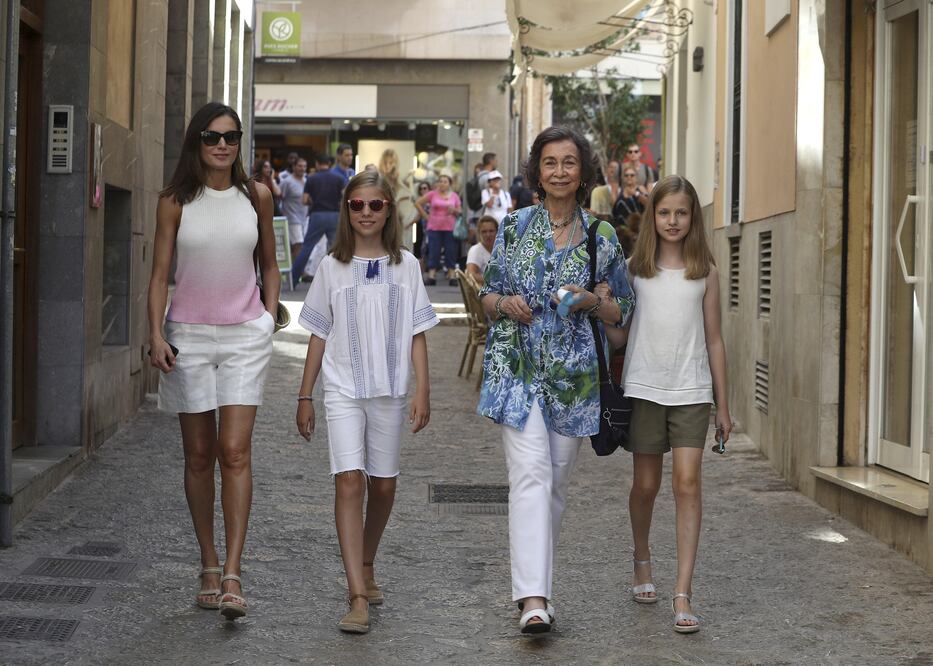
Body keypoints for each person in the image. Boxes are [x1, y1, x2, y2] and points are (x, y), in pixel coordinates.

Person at [478, 126, 635, 634]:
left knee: (555, 487)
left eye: (569, 162)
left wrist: (592, 301)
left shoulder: (602, 235)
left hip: (574, 376)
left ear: (582, 172)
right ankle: (534, 600)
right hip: (517, 368)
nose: (560, 171)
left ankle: (537, 583)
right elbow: (488, 295)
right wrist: (506, 304)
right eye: (551, 163)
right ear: (537, 172)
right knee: (530, 477)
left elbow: (622, 310)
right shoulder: (515, 225)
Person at [148, 102, 279, 621]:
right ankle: (207, 561)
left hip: (246, 334)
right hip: (189, 337)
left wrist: (268, 318)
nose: (222, 145)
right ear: (195, 142)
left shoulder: (258, 195)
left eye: (230, 136)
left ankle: (233, 572)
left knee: (235, 450)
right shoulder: (175, 200)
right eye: (211, 136)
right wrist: (154, 334)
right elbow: (160, 274)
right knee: (199, 456)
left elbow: (269, 263)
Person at [295, 170, 437, 634]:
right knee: (349, 481)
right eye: (357, 205)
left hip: (391, 390)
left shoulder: (408, 266)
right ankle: (356, 592)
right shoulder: (332, 267)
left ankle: (368, 560)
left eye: (376, 205)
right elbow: (318, 333)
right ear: (346, 210)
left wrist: (423, 388)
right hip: (342, 388)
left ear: (389, 210)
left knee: (384, 486)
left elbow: (417, 332)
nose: (367, 213)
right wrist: (305, 394)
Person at [602, 175, 732, 634]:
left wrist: (724, 405)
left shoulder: (707, 273)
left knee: (688, 485)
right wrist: (600, 310)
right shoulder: (636, 272)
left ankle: (682, 592)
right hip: (644, 389)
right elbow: (621, 336)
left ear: (693, 216)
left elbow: (715, 341)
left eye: (681, 212)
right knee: (645, 485)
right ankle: (641, 560)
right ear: (652, 217)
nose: (673, 221)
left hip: (692, 391)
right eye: (664, 212)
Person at [292, 154, 345, 284]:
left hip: (317, 215)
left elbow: (304, 200)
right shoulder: (339, 178)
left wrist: (313, 200)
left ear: (317, 164)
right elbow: (344, 198)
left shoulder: (311, 179)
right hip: (334, 215)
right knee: (335, 249)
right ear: (330, 164)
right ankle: (338, 280)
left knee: (307, 247)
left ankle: (293, 279)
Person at [414, 173, 462, 286]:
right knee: (434, 251)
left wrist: (454, 210)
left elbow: (460, 211)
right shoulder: (432, 194)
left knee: (450, 251)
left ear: (449, 184)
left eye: (445, 181)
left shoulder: (454, 196)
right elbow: (418, 203)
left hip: (450, 227)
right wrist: (426, 216)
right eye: (440, 181)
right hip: (434, 227)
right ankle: (431, 275)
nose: (442, 183)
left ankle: (451, 275)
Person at [379, 149, 417, 252]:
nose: (391, 164)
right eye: (389, 162)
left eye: (392, 162)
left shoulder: (395, 175)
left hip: (394, 207)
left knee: (397, 231)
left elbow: (400, 185)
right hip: (385, 205)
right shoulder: (381, 175)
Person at [279, 156, 309, 257]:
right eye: (300, 166)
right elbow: (279, 197)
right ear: (294, 167)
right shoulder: (287, 182)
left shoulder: (306, 180)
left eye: (304, 166)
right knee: (298, 244)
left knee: (302, 244)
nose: (302, 168)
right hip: (292, 218)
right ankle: (298, 270)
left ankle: (295, 267)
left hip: (304, 218)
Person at [465, 215, 497, 286]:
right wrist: (493, 282)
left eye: (491, 231)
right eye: (484, 232)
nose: (488, 235)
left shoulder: (503, 249)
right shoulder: (476, 250)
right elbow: (470, 274)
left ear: (497, 232)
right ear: (479, 233)